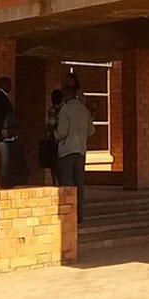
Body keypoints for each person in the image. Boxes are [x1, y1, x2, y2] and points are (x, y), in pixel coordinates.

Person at [54, 85, 95, 221]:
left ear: (67, 95)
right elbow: (91, 130)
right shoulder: (84, 110)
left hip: (67, 150)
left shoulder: (66, 110)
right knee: (80, 183)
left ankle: (69, 213)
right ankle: (80, 213)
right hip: (81, 150)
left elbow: (62, 132)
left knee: (67, 183)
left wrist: (55, 135)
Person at [0, 113, 28, 189]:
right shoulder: (18, 144)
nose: (2, 131)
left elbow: (3, 166)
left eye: (5, 129)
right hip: (18, 181)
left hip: (6, 182)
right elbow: (23, 163)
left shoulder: (2, 146)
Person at [40, 89, 65, 184]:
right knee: (58, 163)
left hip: (54, 139)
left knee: (54, 164)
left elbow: (50, 125)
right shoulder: (65, 110)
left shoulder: (52, 110)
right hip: (61, 140)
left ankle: (55, 181)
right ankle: (58, 181)